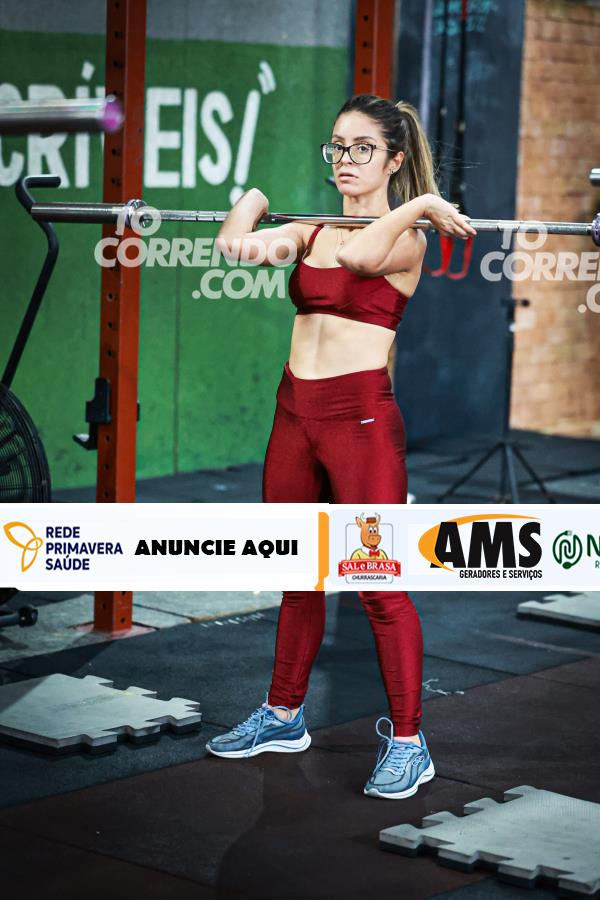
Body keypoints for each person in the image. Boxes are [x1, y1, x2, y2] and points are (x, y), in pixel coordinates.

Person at [206, 94, 476, 799]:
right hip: (293, 414)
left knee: (377, 583)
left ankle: (410, 742)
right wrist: (255, 199)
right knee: (296, 571)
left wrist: (421, 206)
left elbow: (360, 253)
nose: (345, 160)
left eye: (362, 148)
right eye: (337, 146)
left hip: (360, 422)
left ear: (393, 159)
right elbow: (236, 246)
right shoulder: (308, 228)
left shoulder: (409, 239)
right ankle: (282, 714)